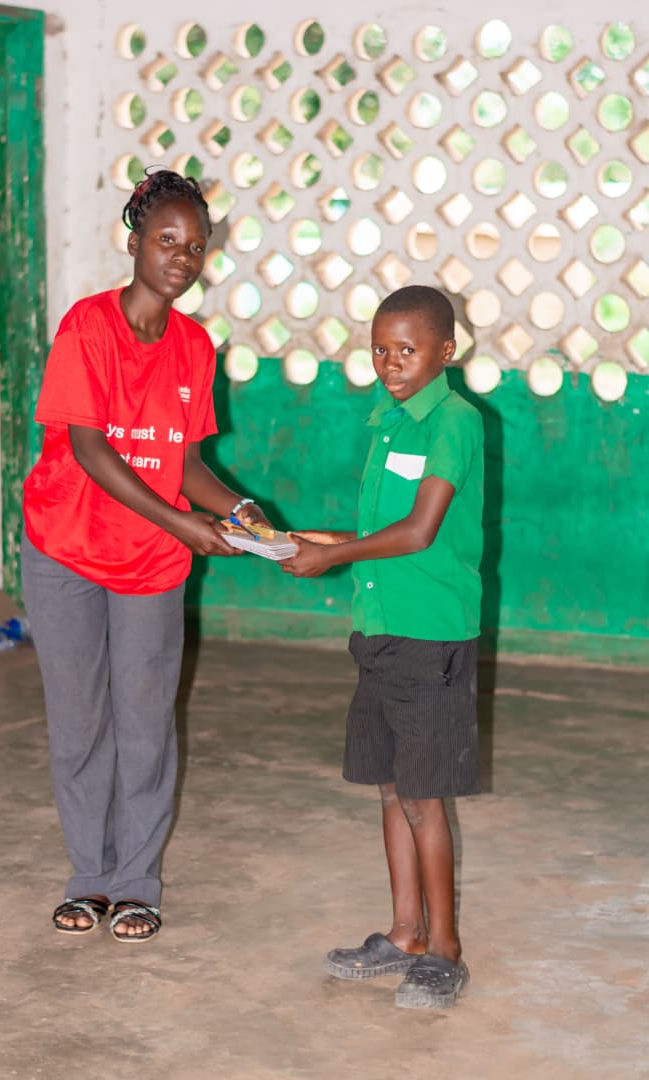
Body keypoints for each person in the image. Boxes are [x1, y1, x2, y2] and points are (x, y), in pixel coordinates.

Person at [22, 169, 267, 942]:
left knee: (145, 722)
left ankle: (136, 884)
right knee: (81, 721)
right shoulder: (87, 328)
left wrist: (240, 510)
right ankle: (88, 878)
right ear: (133, 242)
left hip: (151, 565)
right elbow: (90, 449)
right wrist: (182, 521)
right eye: (166, 241)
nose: (181, 259)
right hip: (65, 548)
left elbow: (185, 460)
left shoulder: (195, 347)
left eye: (195, 247)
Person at [281, 285, 483, 1008]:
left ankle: (447, 949)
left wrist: (333, 558)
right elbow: (378, 532)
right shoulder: (388, 423)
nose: (391, 363)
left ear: (446, 351)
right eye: (380, 350)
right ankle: (405, 935)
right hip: (379, 632)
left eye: (407, 350)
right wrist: (312, 541)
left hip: (430, 636)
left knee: (425, 798)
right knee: (393, 788)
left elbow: (420, 532)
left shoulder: (454, 423)